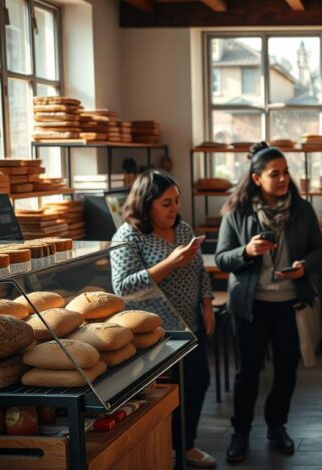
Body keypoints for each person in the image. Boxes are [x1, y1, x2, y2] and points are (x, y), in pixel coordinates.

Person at [215, 142, 322, 463]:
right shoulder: (237, 211)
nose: (283, 179)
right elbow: (222, 258)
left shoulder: (302, 210)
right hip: (250, 305)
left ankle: (277, 425)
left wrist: (305, 266)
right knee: (247, 371)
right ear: (256, 178)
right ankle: (240, 432)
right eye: (274, 174)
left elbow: (318, 250)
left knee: (287, 369)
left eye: (286, 172)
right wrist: (246, 251)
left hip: (290, 303)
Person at [111, 170, 215, 468]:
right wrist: (170, 263)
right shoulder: (128, 236)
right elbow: (123, 287)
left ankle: (186, 445)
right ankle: (164, 450)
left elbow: (200, 271)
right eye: (166, 203)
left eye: (177, 201)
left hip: (189, 325)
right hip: (154, 334)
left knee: (198, 383)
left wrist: (207, 305)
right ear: (146, 204)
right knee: (163, 396)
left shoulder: (182, 229)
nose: (175, 209)